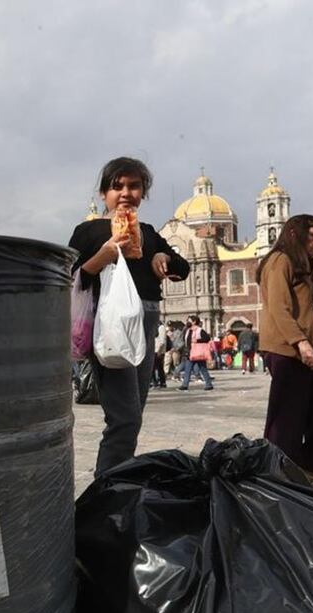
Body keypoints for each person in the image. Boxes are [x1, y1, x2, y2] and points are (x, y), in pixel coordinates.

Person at [68, 157, 190, 476]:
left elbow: (183, 266)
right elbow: (69, 277)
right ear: (104, 193)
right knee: (125, 417)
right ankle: (107, 486)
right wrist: (103, 257)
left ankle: (115, 481)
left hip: (147, 322)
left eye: (133, 186)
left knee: (133, 412)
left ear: (142, 193)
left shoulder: (149, 233)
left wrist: (164, 257)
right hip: (109, 325)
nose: (125, 192)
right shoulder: (89, 231)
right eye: (116, 186)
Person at [257, 214, 313, 477]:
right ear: (295, 235)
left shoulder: (302, 262)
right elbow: (279, 308)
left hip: (304, 347)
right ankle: (277, 471)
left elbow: (299, 303)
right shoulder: (279, 260)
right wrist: (300, 341)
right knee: (287, 414)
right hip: (286, 348)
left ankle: (312, 466)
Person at [177, 316, 215, 391]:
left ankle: (208, 384)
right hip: (190, 352)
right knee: (189, 369)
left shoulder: (200, 330)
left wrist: (197, 341)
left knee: (202, 369)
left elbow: (207, 338)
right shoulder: (188, 330)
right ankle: (186, 385)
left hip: (198, 352)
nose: (187, 322)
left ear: (194, 322)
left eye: (189, 320)